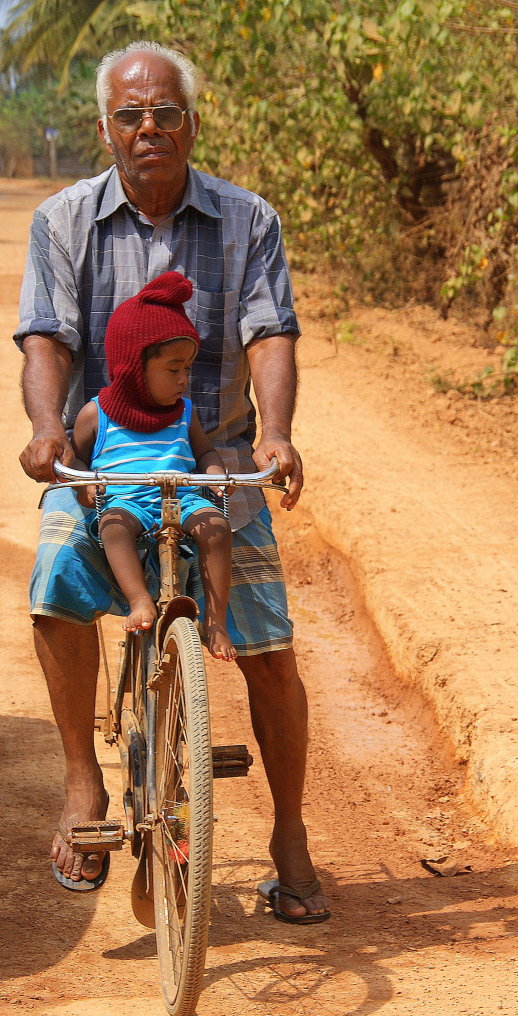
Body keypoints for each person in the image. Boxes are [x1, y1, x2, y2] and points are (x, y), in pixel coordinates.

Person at [16, 40, 329, 922]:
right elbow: (48, 338)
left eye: (165, 112)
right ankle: (84, 780)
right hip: (103, 465)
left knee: (269, 648)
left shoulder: (247, 219)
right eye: (130, 115)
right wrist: (47, 430)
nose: (147, 127)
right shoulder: (64, 220)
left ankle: (292, 836)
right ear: (106, 128)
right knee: (52, 587)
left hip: (215, 462)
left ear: (192, 121)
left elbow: (271, 332)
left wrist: (274, 432)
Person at [70, 270, 236, 659]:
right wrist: (83, 485)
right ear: (133, 368)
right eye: (172, 368)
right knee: (112, 527)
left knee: (217, 528)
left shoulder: (184, 414)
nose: (183, 379)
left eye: (188, 369)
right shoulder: (96, 415)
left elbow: (206, 452)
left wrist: (212, 473)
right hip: (126, 498)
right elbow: (75, 458)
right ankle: (139, 600)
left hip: (183, 498)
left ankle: (215, 620)